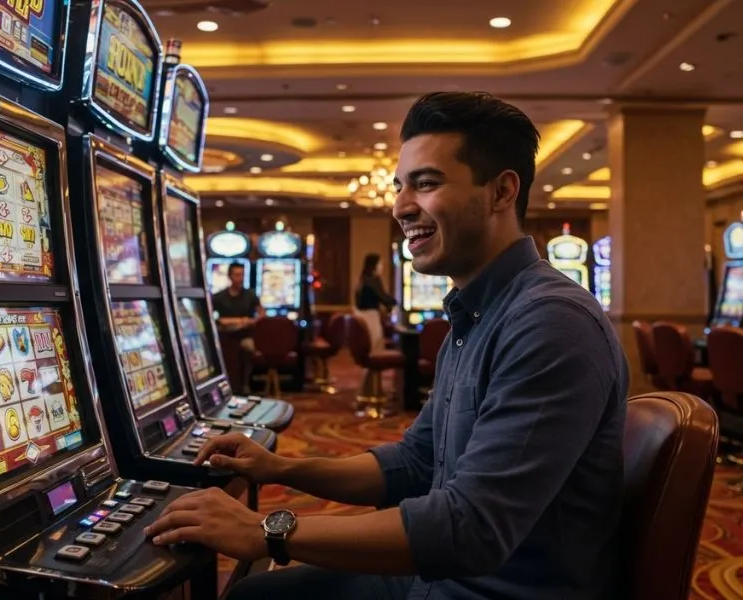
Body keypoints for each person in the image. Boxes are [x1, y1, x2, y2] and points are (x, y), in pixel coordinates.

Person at [145, 92, 629, 600]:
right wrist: (278, 469)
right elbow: (417, 463)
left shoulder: (549, 322)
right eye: (400, 186)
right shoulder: (478, 312)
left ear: (502, 192)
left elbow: (472, 528)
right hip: (443, 575)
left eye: (427, 183)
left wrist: (267, 530)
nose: (400, 206)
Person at [211, 261, 264, 393]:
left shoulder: (250, 295)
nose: (240, 278)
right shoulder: (219, 297)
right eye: (237, 275)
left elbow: (262, 314)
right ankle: (226, 385)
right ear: (229, 276)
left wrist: (251, 321)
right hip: (225, 336)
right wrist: (238, 320)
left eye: (242, 275)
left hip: (246, 335)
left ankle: (244, 384)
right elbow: (211, 317)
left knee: (248, 347)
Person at [354, 253, 397, 350]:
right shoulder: (372, 280)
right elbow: (383, 298)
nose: (382, 266)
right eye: (380, 264)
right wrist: (398, 303)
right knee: (374, 346)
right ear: (374, 265)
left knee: (365, 346)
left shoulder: (362, 278)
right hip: (370, 316)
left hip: (361, 316)